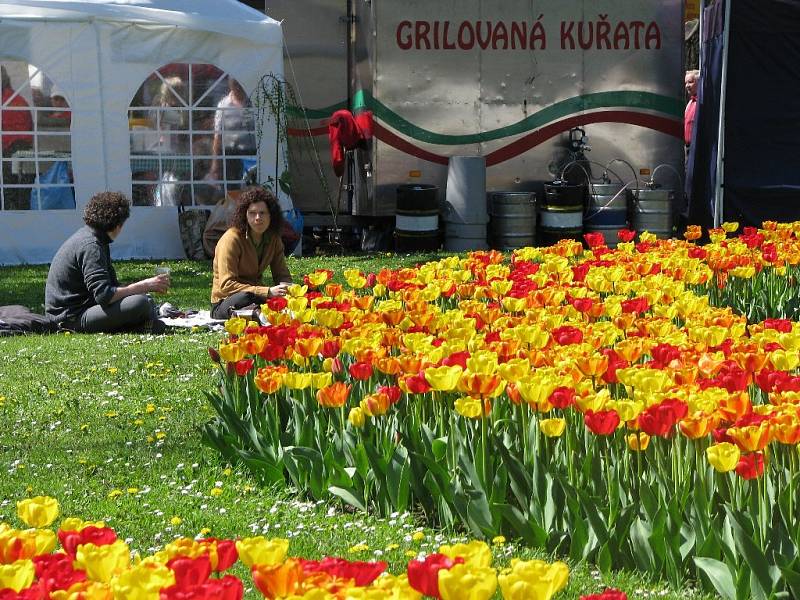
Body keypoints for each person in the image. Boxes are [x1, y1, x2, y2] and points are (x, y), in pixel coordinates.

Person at [45, 191, 170, 333]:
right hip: (69, 319)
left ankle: (142, 326)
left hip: (78, 311)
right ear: (117, 225)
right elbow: (104, 296)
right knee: (140, 303)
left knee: (142, 299)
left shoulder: (95, 238)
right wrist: (144, 285)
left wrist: (140, 289)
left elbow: (110, 287)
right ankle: (142, 325)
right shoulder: (91, 246)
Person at [210, 186, 291, 319]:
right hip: (225, 302)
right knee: (245, 297)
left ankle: (259, 313)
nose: (258, 218)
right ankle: (257, 314)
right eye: (252, 213)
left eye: (262, 213)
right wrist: (267, 291)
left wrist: (288, 289)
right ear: (244, 215)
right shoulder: (231, 239)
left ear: (271, 215)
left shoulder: (274, 238)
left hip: (257, 296)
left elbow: (282, 275)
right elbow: (227, 285)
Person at [209, 78, 256, 189]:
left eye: (240, 83)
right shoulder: (223, 105)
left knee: (253, 189)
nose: (238, 87)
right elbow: (217, 136)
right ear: (230, 85)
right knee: (232, 191)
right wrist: (215, 164)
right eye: (235, 84)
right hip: (230, 157)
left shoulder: (254, 102)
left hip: (253, 156)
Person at [1, 65, 34, 210]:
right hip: (26, 150)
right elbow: (31, 126)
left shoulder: (4, 100)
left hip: (10, 150)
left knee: (9, 193)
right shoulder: (19, 99)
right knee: (25, 192)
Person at [684, 70, 699, 150]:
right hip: (687, 147)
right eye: (686, 83)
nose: (687, 85)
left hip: (696, 149)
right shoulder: (690, 103)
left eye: (690, 82)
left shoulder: (701, 103)